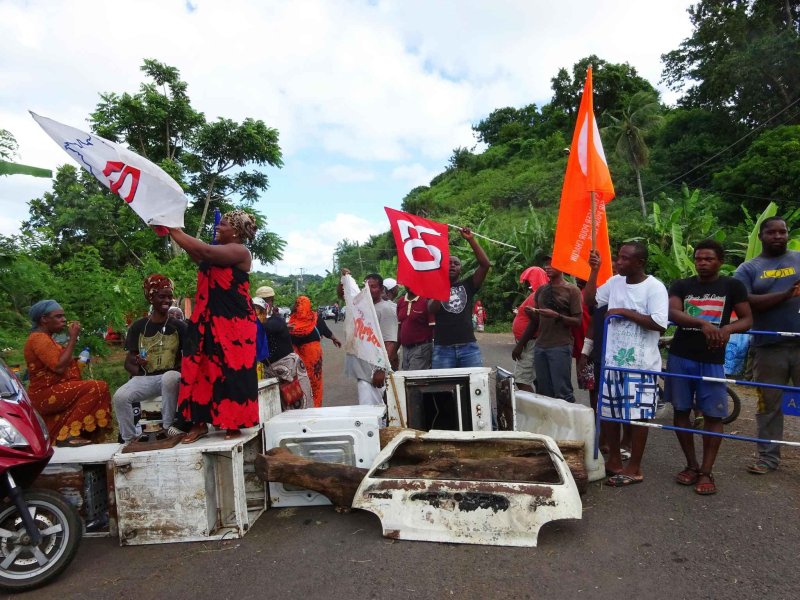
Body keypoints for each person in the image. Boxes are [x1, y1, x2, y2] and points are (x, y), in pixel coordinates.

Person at [667, 240, 752, 494]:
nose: (702, 263)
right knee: (681, 410)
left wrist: (727, 329)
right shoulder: (682, 285)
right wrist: (703, 324)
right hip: (680, 356)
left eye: (708, 259)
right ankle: (691, 465)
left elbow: (747, 319)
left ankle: (706, 471)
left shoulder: (732, 286)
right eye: (698, 259)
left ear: (720, 262)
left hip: (713, 359)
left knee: (714, 415)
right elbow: (673, 313)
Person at [168, 210, 259, 443]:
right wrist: (170, 227)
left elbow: (205, 251)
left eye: (224, 224)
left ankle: (233, 422)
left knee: (232, 371)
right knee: (200, 368)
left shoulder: (240, 251)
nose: (218, 227)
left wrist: (174, 230)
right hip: (207, 320)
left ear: (235, 231)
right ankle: (199, 424)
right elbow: (198, 253)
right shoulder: (215, 255)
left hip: (234, 325)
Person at [584, 241, 669, 486]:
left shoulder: (654, 287)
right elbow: (589, 301)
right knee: (609, 413)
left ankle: (634, 467)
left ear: (640, 263)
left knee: (638, 416)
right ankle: (614, 461)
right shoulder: (614, 282)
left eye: (624, 258)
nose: (618, 262)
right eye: (618, 257)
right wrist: (593, 271)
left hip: (641, 365)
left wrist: (623, 311)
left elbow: (660, 323)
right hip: (613, 362)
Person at [733, 217, 800, 474]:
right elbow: (745, 302)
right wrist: (785, 295)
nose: (778, 236)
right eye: (772, 232)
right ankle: (767, 458)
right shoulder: (748, 269)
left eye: (782, 232)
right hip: (768, 347)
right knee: (768, 405)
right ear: (761, 236)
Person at [23, 300, 112, 446]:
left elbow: (60, 364)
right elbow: (58, 367)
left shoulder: (47, 339)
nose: (64, 319)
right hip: (45, 393)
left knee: (92, 388)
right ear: (44, 319)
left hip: (52, 391)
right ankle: (69, 435)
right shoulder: (38, 338)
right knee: (97, 387)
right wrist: (73, 338)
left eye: (63, 316)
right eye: (58, 316)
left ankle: (72, 435)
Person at [113, 275, 187, 442]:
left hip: (173, 377)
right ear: (151, 297)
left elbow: (189, 357)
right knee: (120, 396)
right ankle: (129, 438)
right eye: (162, 296)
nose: (167, 300)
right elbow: (128, 362)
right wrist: (138, 365)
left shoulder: (179, 326)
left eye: (169, 296)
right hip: (146, 378)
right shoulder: (138, 327)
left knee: (169, 378)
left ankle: (167, 427)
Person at [429, 227, 491, 368]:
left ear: (460, 269)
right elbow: (431, 309)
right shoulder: (434, 287)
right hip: (442, 349)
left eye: (456, 263)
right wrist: (441, 288)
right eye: (448, 263)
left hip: (468, 347)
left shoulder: (468, 285)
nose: (452, 265)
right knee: (444, 383)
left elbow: (485, 264)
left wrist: (470, 239)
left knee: (475, 381)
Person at [339, 270, 399, 406]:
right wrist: (344, 279)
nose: (369, 289)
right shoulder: (362, 307)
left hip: (374, 373)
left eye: (373, 286)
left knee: (372, 410)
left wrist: (381, 370)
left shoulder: (386, 309)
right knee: (370, 408)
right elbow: (343, 294)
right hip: (364, 371)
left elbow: (390, 342)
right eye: (366, 286)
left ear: (381, 289)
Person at [531, 255, 583, 402]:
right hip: (540, 345)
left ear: (562, 267)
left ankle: (568, 416)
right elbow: (537, 320)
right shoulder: (541, 290)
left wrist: (558, 316)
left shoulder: (572, 290)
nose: (547, 267)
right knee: (543, 391)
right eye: (546, 264)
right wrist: (532, 313)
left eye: (551, 264)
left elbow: (577, 321)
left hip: (560, 345)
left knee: (562, 391)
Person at [257, 286, 313, 408]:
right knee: (281, 406)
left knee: (297, 403)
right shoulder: (266, 320)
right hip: (272, 370)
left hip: (289, 367)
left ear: (270, 301)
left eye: (265, 301)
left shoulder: (275, 320)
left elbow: (265, 328)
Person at [289, 295, 341, 408]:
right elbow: (326, 331)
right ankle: (316, 406)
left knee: (301, 383)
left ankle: (304, 407)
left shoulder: (292, 321)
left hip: (298, 361)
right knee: (315, 383)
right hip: (314, 358)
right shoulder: (314, 318)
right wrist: (334, 339)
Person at [511, 266, 548, 393]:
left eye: (528, 281)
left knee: (521, 380)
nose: (527, 285)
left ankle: (532, 404)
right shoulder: (538, 294)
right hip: (530, 341)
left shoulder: (539, 294)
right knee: (537, 380)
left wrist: (520, 345)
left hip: (530, 341)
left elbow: (534, 322)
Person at [397, 287, 434, 370]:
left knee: (414, 376)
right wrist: (395, 352)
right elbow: (400, 327)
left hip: (421, 348)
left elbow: (433, 326)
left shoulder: (426, 300)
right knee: (405, 375)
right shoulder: (400, 301)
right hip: (404, 348)